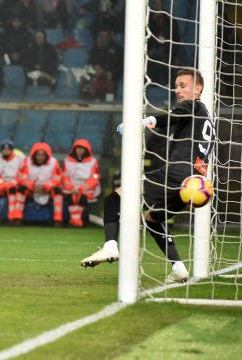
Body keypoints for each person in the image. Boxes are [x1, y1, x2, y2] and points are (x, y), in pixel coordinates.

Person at [81, 68, 215, 284]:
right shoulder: (205, 118)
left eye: (183, 85)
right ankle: (179, 267)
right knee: (152, 218)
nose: (177, 90)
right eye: (176, 85)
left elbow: (173, 116)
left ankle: (109, 246)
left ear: (198, 88)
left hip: (177, 174)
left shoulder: (193, 106)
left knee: (114, 199)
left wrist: (142, 122)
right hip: (193, 184)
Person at [18, 142, 64, 226]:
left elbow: (57, 179)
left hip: (47, 190)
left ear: (47, 155)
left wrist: (46, 187)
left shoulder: (54, 163)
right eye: (38, 155)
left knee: (58, 191)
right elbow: (22, 177)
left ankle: (58, 220)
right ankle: (17, 218)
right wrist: (32, 186)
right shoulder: (26, 162)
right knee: (21, 189)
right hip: (31, 189)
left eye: (43, 155)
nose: (40, 157)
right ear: (34, 155)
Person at [61, 139, 101, 227]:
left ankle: (75, 220)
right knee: (71, 198)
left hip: (87, 188)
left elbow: (94, 178)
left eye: (82, 149)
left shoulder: (92, 162)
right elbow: (64, 176)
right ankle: (77, 221)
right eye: (78, 148)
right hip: (71, 188)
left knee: (82, 198)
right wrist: (71, 187)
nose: (80, 151)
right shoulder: (67, 161)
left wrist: (82, 188)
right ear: (74, 149)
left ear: (86, 150)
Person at [0, 139, 25, 225]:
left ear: (11, 149)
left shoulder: (20, 159)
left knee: (13, 191)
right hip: (0, 183)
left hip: (14, 183)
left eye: (8, 149)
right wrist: (1, 184)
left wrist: (10, 184)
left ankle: (12, 218)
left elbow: (21, 175)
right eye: (4, 149)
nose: (6, 151)